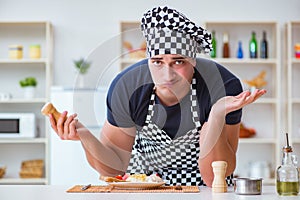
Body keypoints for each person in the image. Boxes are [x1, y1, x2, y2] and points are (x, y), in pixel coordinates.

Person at [49, 6, 266, 187]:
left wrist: (217, 115)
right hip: (145, 189)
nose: (167, 74)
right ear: (149, 60)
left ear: (193, 61)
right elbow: (114, 168)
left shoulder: (222, 85)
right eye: (158, 62)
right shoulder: (128, 86)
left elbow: (213, 178)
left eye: (178, 62)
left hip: (204, 192)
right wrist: (84, 135)